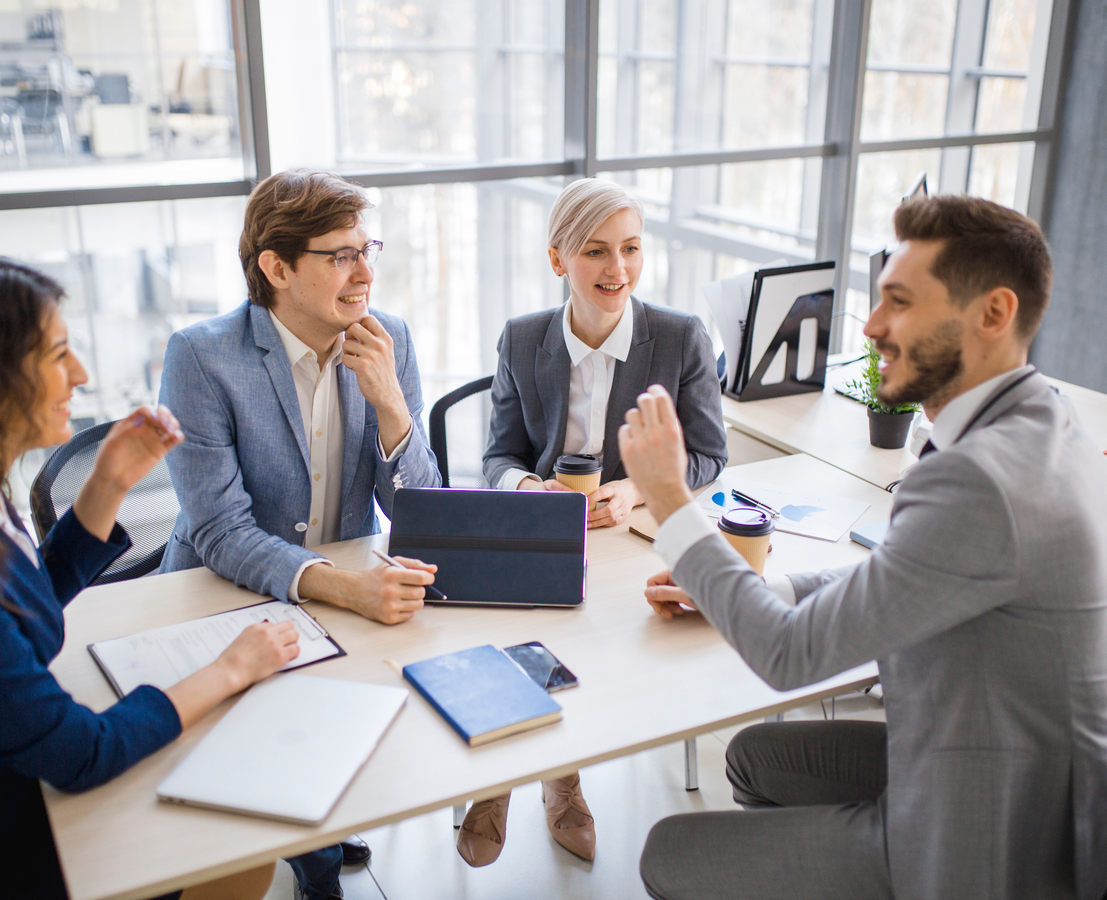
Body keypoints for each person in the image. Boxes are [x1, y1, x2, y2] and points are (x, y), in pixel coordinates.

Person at [617, 196, 1107, 900]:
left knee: (669, 851)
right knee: (758, 759)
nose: (872, 326)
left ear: (993, 315)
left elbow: (788, 656)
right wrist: (760, 587)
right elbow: (893, 577)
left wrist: (668, 499)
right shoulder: (1040, 417)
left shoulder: (981, 479)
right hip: (991, 756)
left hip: (986, 837)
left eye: (899, 303)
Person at [0, 253, 343, 900]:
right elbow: (79, 754)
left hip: (10, 769)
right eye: (56, 356)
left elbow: (20, 615)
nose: (79, 375)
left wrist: (108, 484)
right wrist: (230, 669)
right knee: (233, 843)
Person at [461, 179, 729, 868]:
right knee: (509, 625)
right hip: (545, 526)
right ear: (559, 260)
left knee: (592, 641)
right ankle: (495, 783)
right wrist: (528, 487)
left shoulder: (679, 338)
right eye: (596, 251)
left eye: (632, 249)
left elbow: (708, 456)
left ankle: (562, 778)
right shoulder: (523, 340)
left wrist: (634, 490)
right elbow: (498, 454)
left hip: (628, 534)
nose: (618, 270)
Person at [159, 171, 442, 639]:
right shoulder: (201, 358)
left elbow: (425, 516)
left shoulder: (390, 340)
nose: (366, 274)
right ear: (278, 270)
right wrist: (348, 588)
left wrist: (392, 406)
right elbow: (222, 532)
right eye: (341, 257)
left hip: (349, 599)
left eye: (367, 251)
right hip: (224, 600)